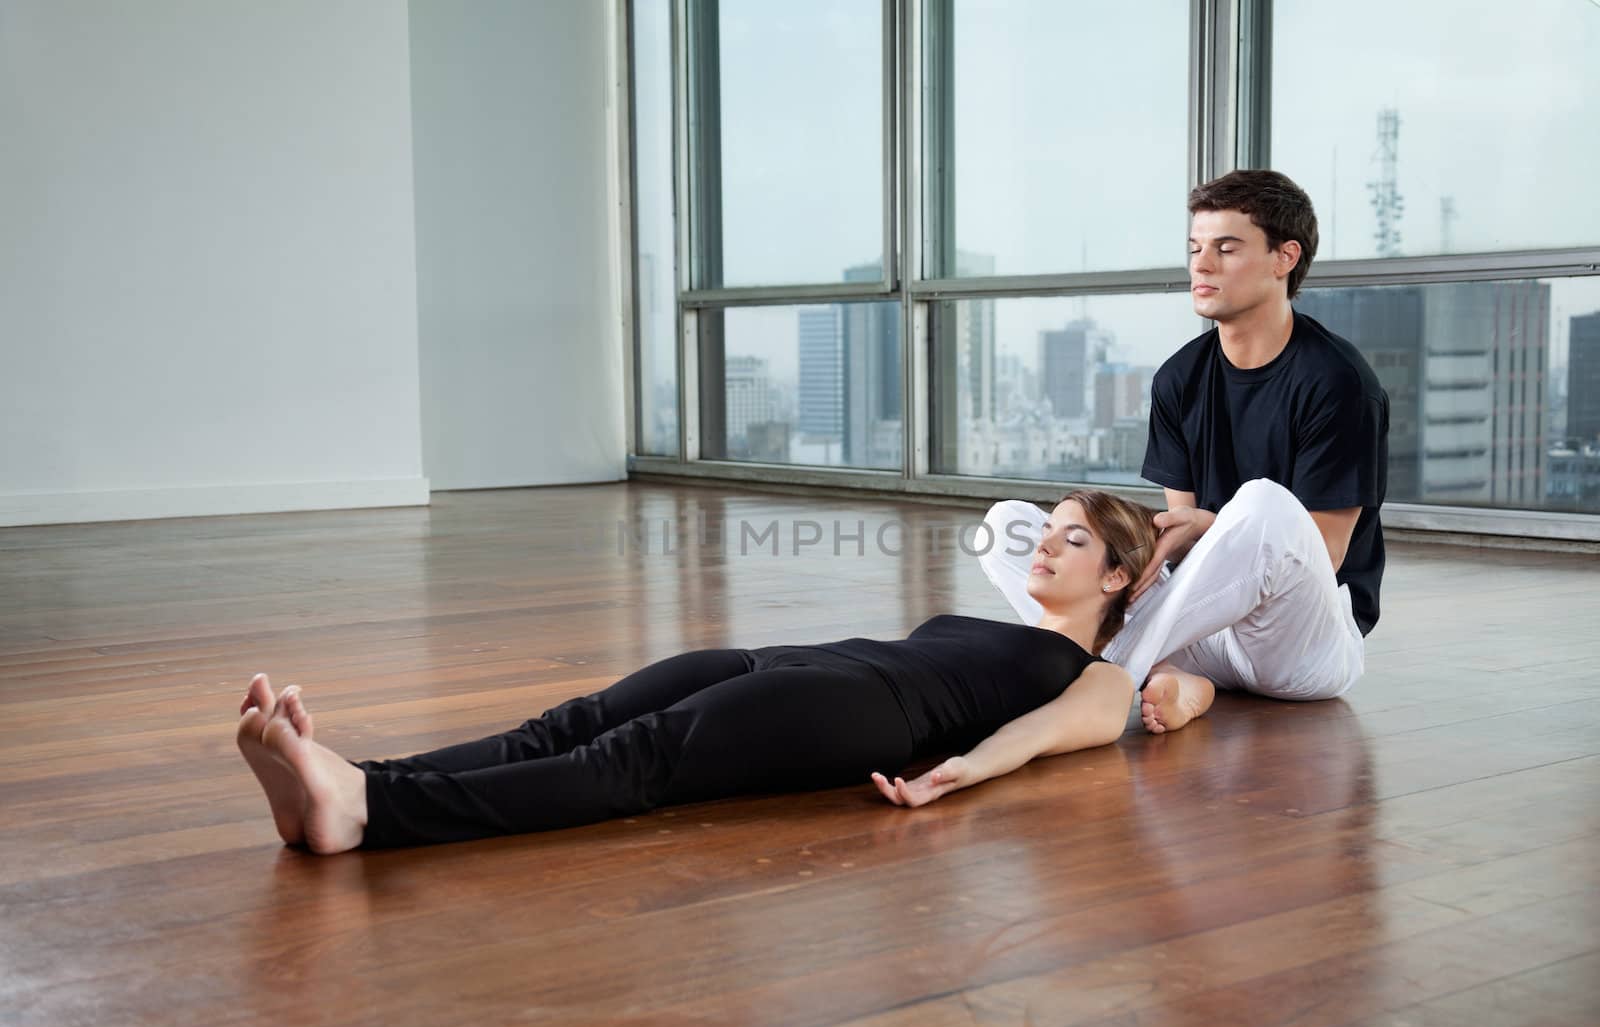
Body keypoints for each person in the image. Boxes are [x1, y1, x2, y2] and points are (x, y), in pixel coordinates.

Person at [237, 490, 1187, 853]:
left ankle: (371, 816)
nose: (1046, 547)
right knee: (572, 721)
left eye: (1075, 540)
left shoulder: (1095, 672)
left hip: (862, 709)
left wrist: (957, 774)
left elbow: (1040, 738)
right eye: (1049, 529)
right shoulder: (995, 622)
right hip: (802, 662)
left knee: (635, 761)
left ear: (1115, 575)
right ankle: (360, 783)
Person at [980, 170, 1389, 734]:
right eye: (1196, 248)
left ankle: (1099, 669)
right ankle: (1169, 676)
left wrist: (1213, 525)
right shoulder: (1180, 377)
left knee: (1265, 506)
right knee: (1008, 528)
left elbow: (1324, 553)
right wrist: (1146, 548)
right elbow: (1182, 539)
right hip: (1201, 629)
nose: (1201, 265)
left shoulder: (1337, 382)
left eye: (1227, 248)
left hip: (1297, 649)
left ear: (1284, 258)